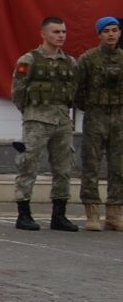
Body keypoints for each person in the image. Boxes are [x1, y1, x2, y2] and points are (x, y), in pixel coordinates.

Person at [11, 14, 79, 232]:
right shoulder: (28, 60)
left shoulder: (70, 61)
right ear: (43, 34)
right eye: (56, 32)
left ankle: (59, 215)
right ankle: (24, 214)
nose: (61, 36)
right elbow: (17, 91)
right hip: (37, 120)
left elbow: (74, 89)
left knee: (63, 168)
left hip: (62, 120)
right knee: (28, 164)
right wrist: (30, 113)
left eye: (63, 32)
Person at [74, 15, 123, 231]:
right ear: (99, 35)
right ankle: (92, 212)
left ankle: (114, 213)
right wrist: (91, 107)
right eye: (106, 31)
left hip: (119, 117)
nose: (111, 34)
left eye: (114, 30)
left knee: (119, 166)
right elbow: (77, 90)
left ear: (120, 32)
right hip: (95, 116)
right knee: (91, 165)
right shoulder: (87, 59)